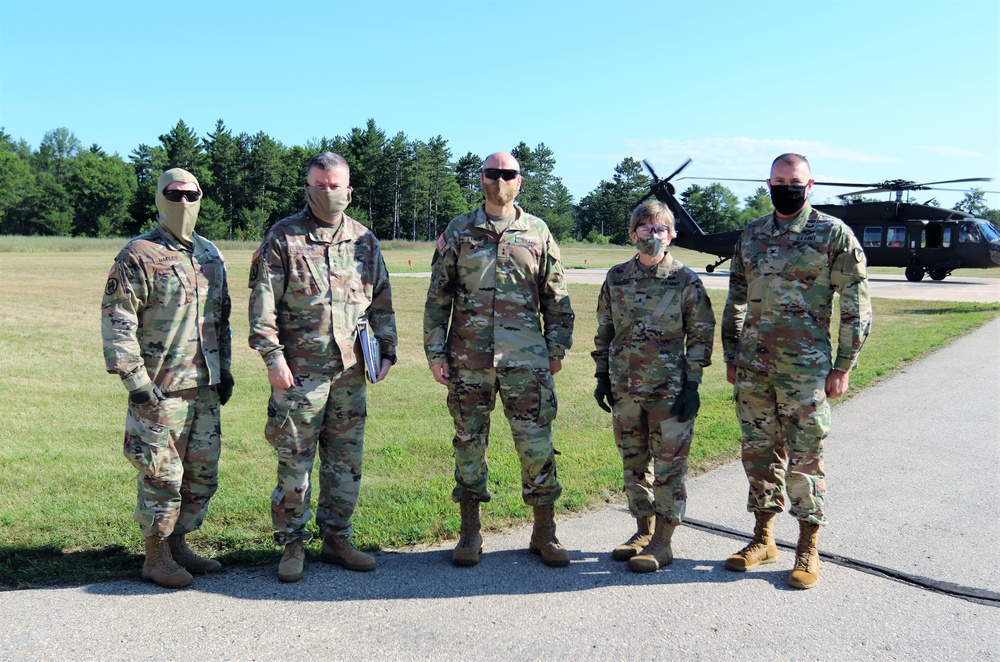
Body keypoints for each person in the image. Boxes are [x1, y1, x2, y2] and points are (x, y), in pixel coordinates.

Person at [721, 153, 872, 589]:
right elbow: (736, 298)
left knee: (806, 458)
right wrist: (732, 354)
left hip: (805, 370)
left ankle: (807, 546)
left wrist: (844, 365)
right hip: (753, 367)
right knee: (758, 453)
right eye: (779, 179)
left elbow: (855, 305)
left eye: (795, 180)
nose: (786, 186)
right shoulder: (751, 234)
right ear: (768, 183)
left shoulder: (832, 234)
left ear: (810, 186)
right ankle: (763, 538)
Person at [248, 152, 397, 583]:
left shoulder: (364, 240)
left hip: (351, 372)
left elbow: (381, 302)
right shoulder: (283, 237)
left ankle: (336, 538)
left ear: (349, 189)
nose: (328, 192)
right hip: (299, 373)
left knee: (345, 463)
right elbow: (263, 308)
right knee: (295, 463)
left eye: (335, 186)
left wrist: (386, 351)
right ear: (308, 187)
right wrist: (273, 359)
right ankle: (292, 543)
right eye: (320, 184)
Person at [424, 151, 575, 568]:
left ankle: (545, 532)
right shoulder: (459, 230)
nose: (500, 180)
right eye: (493, 173)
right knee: (469, 444)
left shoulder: (538, 232)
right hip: (468, 360)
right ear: (481, 178)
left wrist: (555, 351)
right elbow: (438, 300)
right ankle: (470, 533)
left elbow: (557, 301)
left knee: (536, 446)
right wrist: (436, 353)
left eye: (508, 174)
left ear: (519, 181)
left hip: (526, 361)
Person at [101, 167, 232, 589]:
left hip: (204, 385)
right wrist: (135, 379)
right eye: (174, 194)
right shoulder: (138, 254)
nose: (183, 202)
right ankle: (154, 555)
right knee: (161, 475)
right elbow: (118, 318)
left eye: (191, 194)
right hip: (160, 389)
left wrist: (224, 368)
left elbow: (222, 317)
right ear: (159, 198)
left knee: (201, 474)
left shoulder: (210, 254)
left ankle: (179, 544)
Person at [592, 200, 715, 573]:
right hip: (625, 389)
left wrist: (693, 384)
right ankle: (642, 531)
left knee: (669, 468)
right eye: (645, 228)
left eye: (660, 228)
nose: (652, 234)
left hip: (669, 392)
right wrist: (601, 375)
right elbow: (605, 329)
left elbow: (701, 334)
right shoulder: (616, 277)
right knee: (633, 465)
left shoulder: (685, 280)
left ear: (672, 235)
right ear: (632, 234)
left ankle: (663, 541)